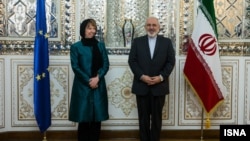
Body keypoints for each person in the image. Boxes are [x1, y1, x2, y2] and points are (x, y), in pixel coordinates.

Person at [128, 16, 175, 141]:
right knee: (143, 119)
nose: (151, 27)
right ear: (145, 27)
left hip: (159, 86)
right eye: (148, 25)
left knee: (156, 119)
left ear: (159, 27)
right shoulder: (137, 42)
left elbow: (171, 62)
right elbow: (132, 61)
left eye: (154, 25)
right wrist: (142, 76)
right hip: (141, 86)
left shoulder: (167, 42)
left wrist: (161, 77)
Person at [69, 19, 109, 141]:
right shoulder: (76, 47)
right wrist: (89, 81)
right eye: (89, 28)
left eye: (93, 28)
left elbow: (106, 64)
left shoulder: (100, 46)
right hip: (83, 87)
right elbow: (75, 67)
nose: (92, 31)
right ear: (83, 30)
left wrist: (97, 78)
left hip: (98, 85)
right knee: (84, 119)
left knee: (97, 119)